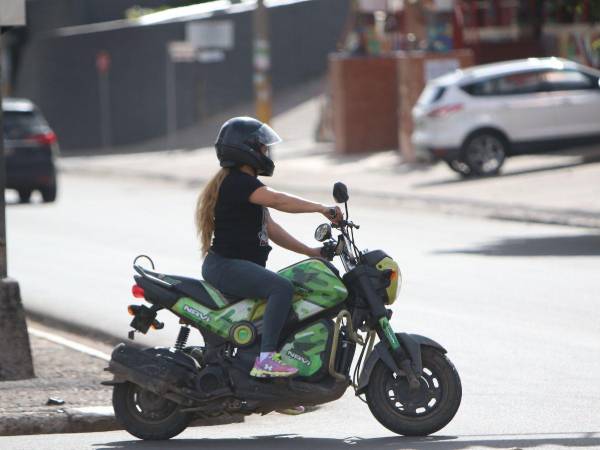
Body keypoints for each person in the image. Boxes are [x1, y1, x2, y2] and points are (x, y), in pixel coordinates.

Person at [196, 117, 342, 378]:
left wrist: (312, 252)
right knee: (281, 288)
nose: (267, 152)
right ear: (246, 150)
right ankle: (266, 361)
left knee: (289, 292)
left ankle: (275, 388)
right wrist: (321, 208)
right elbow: (278, 200)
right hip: (225, 266)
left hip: (232, 266)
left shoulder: (241, 186)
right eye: (263, 147)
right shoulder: (239, 183)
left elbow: (271, 229)